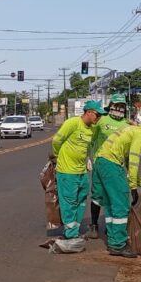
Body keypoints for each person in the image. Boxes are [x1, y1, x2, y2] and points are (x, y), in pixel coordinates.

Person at [92, 120, 141, 258]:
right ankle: (118, 244)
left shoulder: (132, 130)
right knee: (121, 205)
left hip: (100, 162)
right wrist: (133, 188)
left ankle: (113, 240)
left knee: (110, 204)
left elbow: (127, 160)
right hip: (111, 164)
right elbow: (133, 162)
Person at [51, 100, 106, 241]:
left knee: (81, 200)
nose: (98, 117)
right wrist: (57, 156)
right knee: (69, 202)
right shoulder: (73, 123)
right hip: (67, 170)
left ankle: (74, 229)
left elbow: (88, 146)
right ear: (88, 112)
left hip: (81, 171)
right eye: (97, 114)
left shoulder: (91, 129)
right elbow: (57, 141)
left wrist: (88, 158)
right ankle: (70, 234)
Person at [85, 94, 131, 239]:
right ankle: (94, 225)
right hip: (100, 162)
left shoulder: (126, 124)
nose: (119, 108)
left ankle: (111, 227)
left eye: (122, 106)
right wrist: (88, 157)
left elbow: (128, 149)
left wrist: (129, 169)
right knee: (98, 195)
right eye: (116, 105)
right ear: (110, 105)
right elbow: (90, 139)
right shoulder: (102, 120)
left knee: (113, 196)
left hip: (117, 164)